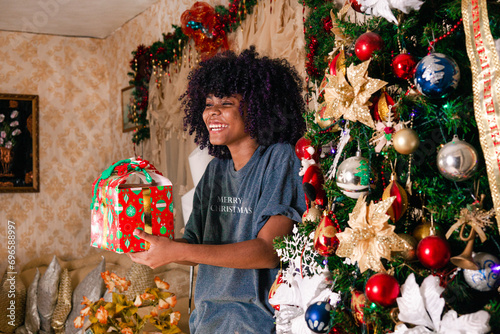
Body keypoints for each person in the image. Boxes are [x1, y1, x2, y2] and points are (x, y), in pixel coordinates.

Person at [129, 47, 307, 333]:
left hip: (256, 323)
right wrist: (159, 250)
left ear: (260, 106)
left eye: (225, 103)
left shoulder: (280, 158)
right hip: (207, 322)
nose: (212, 112)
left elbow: (269, 251)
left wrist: (175, 249)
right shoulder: (215, 171)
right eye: (208, 103)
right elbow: (194, 244)